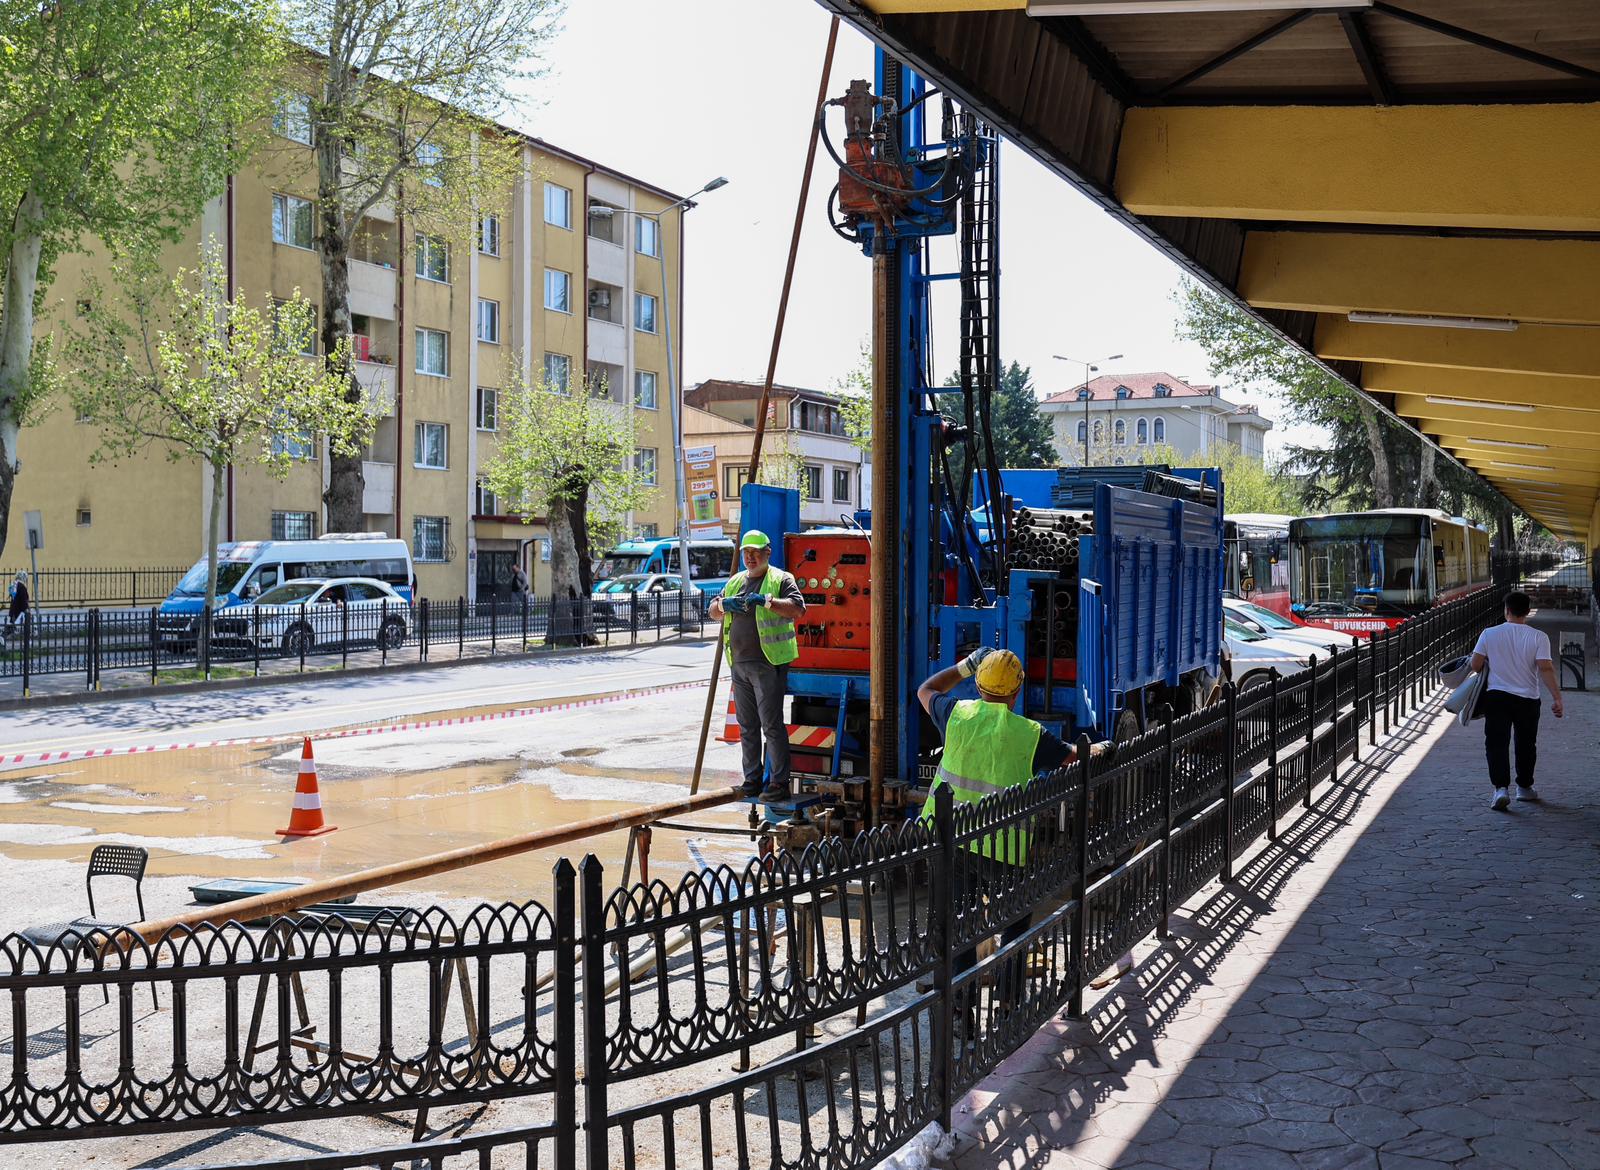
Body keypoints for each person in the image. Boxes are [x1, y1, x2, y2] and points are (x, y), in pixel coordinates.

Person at [917, 647, 1079, 992]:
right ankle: (1008, 999)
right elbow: (1074, 758)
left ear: (978, 686)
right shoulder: (1031, 734)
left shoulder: (956, 714)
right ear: (1017, 693)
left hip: (951, 838)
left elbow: (926, 689)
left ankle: (960, 1008)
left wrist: (964, 665)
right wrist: (1103, 748)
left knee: (959, 924)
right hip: (1003, 847)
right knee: (1014, 920)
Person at [708, 530, 805, 803]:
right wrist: (722, 605)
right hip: (739, 664)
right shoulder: (736, 581)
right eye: (746, 553)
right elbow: (712, 611)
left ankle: (778, 783)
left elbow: (798, 609)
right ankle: (752, 779)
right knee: (747, 725)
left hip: (768, 662)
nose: (750, 557)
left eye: (755, 552)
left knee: (771, 725)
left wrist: (767, 601)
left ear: (767, 553)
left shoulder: (780, 579)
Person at [1470, 589, 1562, 811]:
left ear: (1506, 610)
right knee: (1526, 744)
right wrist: (1557, 698)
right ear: (1527, 612)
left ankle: (1500, 789)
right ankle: (1524, 788)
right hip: (1528, 698)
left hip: (1497, 697)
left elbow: (1475, 665)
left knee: (1496, 743)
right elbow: (1545, 668)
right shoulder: (1539, 637)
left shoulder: (1489, 634)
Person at [2, 570, 29, 647]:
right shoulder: (22, 587)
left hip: (13, 609)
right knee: (25, 625)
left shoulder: (14, 585)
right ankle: (2, 636)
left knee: (13, 625)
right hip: (20, 610)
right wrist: (26, 609)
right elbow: (23, 599)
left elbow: (13, 596)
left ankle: (3, 636)